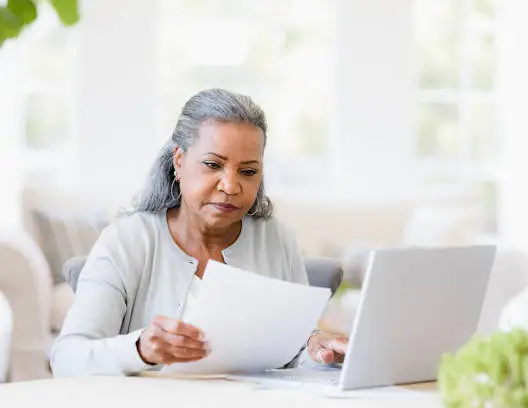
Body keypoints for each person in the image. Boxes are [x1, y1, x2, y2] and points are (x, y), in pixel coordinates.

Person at [51, 88, 348, 377]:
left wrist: (313, 349)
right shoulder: (128, 240)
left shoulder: (275, 239)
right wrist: (140, 349)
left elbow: (291, 352)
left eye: (248, 171)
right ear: (179, 161)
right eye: (212, 165)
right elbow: (67, 358)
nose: (230, 186)